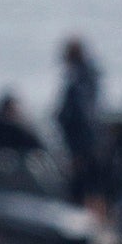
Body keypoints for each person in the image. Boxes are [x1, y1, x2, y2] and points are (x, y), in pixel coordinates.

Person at [52, 37, 104, 198]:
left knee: (82, 186)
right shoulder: (89, 77)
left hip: (81, 143)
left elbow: (80, 115)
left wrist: (79, 151)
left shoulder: (78, 82)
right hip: (89, 140)